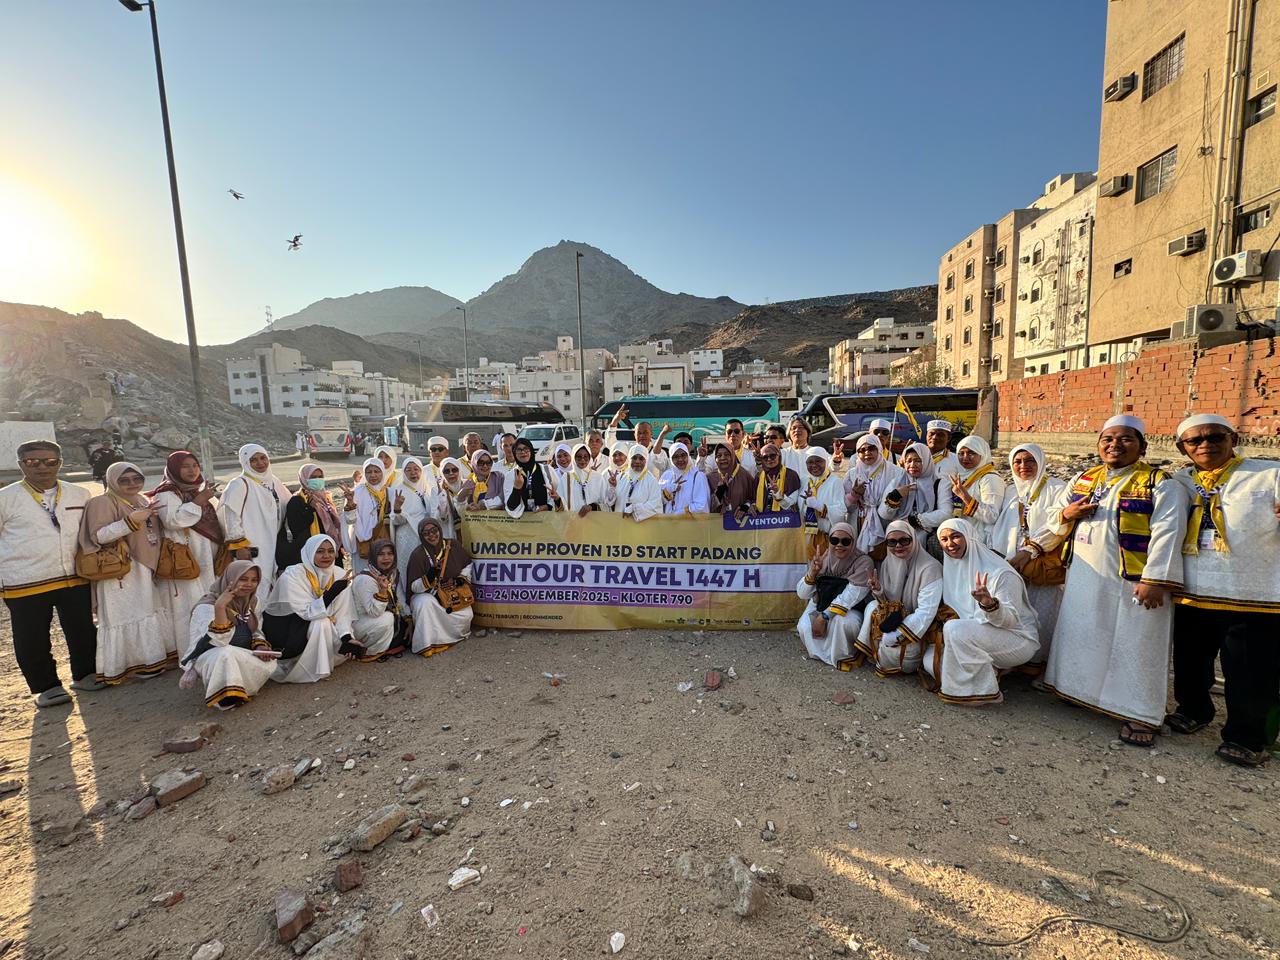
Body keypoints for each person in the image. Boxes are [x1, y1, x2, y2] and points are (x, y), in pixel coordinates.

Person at [1041, 415, 1187, 747]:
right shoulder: (1084, 478)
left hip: (1133, 579)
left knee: (1135, 643)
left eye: (1125, 439)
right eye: (1107, 439)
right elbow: (1055, 514)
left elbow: (1168, 532)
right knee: (1084, 631)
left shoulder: (1159, 483)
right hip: (1085, 573)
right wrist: (1066, 515)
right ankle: (1078, 691)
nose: (1114, 445)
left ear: (1142, 446)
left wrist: (1155, 579)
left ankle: (1139, 713)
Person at [1166, 414, 1280, 767]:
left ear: (1233, 439)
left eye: (1215, 437)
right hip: (1193, 590)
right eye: (1195, 440)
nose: (1206, 445)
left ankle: (1247, 738)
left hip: (1251, 593)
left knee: (1249, 669)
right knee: (1190, 660)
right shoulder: (1180, 481)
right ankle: (1194, 710)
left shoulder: (1269, 474)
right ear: (1182, 448)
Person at [0, 439, 101, 707]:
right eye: (33, 462)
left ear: (60, 463)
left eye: (50, 461)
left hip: (74, 576)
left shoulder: (79, 494)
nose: (42, 467)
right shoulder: (5, 498)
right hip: (24, 580)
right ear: (21, 464)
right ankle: (46, 687)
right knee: (32, 636)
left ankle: (85, 674)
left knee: (82, 629)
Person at [921, 518, 1038, 704]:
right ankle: (989, 671)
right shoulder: (952, 567)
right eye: (944, 539)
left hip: (1016, 639)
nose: (950, 544)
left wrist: (989, 604)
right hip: (979, 637)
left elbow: (1010, 621)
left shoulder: (1001, 573)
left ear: (969, 536)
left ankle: (985, 691)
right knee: (929, 661)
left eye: (956, 536)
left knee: (954, 629)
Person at [79, 462, 175, 683]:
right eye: (124, 480)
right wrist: (130, 521)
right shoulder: (101, 502)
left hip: (144, 566)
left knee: (147, 610)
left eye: (137, 479)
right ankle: (133, 664)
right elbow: (98, 536)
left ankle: (154, 659)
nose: (132, 484)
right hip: (119, 571)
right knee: (126, 614)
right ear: (112, 481)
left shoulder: (141, 500)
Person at [148, 450, 226, 656]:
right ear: (174, 469)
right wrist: (199, 500)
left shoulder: (199, 489)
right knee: (188, 604)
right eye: (185, 466)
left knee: (208, 600)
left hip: (206, 553)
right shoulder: (167, 493)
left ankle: (212, 647)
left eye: (194, 465)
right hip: (185, 556)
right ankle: (190, 652)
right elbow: (172, 521)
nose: (192, 470)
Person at [992, 443, 1069, 650]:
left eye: (1029, 460)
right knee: (1015, 607)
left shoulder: (1057, 488)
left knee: (1043, 610)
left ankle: (1039, 657)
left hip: (1042, 559)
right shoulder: (1011, 490)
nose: (1023, 465)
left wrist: (1031, 550)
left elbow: (1057, 525)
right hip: (1013, 560)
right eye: (1017, 461)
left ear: (1040, 461)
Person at [180, 560, 278, 710]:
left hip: (239, 650)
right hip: (211, 655)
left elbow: (256, 631)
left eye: (254, 580)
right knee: (225, 653)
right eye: (243, 579)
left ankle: (242, 687)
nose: (249, 584)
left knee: (270, 661)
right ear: (230, 579)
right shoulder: (206, 606)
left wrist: (260, 646)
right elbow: (217, 642)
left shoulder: (252, 602)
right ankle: (225, 697)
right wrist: (220, 607)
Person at [263, 533, 359, 682]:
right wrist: (332, 592)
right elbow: (307, 612)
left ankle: (324, 661)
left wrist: (347, 638)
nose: (326, 556)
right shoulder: (293, 574)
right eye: (320, 551)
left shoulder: (339, 573)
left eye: (331, 551)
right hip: (294, 630)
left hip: (326, 628)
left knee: (341, 637)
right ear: (310, 551)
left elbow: (343, 613)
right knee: (321, 622)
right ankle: (316, 669)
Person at [854, 520, 944, 677]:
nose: (898, 546)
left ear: (913, 539)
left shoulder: (930, 568)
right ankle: (877, 652)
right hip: (894, 622)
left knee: (899, 655)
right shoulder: (888, 562)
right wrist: (879, 591)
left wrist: (897, 634)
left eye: (904, 540)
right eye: (892, 542)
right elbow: (888, 604)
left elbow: (926, 613)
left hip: (919, 629)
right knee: (873, 606)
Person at [218, 444, 290, 606]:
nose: (260, 463)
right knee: (251, 586)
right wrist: (240, 547)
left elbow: (288, 504)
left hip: (271, 544)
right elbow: (231, 516)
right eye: (254, 460)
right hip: (251, 548)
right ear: (245, 462)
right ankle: (250, 619)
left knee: (268, 583)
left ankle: (262, 619)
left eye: (263, 458)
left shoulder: (273, 482)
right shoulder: (239, 484)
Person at [795, 522, 874, 670]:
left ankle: (844, 656)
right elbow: (802, 593)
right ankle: (822, 654)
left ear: (853, 542)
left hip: (850, 608)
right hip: (821, 603)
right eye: (834, 540)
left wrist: (824, 616)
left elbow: (852, 595)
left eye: (846, 541)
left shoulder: (863, 562)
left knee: (844, 623)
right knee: (804, 626)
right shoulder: (823, 559)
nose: (839, 545)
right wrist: (813, 572)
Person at [920, 436, 1005, 546]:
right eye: (961, 453)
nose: (965, 457)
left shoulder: (990, 478)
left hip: (979, 538)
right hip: (961, 535)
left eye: (971, 453)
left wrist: (965, 496)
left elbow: (992, 516)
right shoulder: (963, 474)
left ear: (982, 454)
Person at [406, 518, 474, 656]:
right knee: (424, 603)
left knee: (467, 614)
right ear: (421, 536)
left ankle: (447, 639)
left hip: (450, 595)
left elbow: (468, 564)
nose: (431, 535)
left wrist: (460, 579)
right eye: (426, 533)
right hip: (429, 596)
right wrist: (429, 576)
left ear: (439, 529)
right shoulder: (418, 555)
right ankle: (427, 644)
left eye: (434, 530)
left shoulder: (452, 545)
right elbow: (413, 587)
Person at [280, 464, 352, 571]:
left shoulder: (326, 498)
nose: (317, 480)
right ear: (304, 478)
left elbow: (334, 525)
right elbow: (296, 528)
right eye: (313, 477)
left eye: (320, 477)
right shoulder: (297, 501)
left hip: (331, 551)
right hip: (312, 553)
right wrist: (310, 508)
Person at [845, 435, 906, 554]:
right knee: (860, 558)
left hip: (886, 522)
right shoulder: (852, 474)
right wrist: (854, 495)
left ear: (879, 449)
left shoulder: (896, 472)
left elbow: (902, 505)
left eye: (871, 448)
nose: (867, 453)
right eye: (862, 450)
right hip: (858, 521)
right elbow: (846, 508)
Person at [350, 538, 408, 659]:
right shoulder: (366, 579)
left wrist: (409, 618)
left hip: (377, 619)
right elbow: (374, 612)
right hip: (361, 624)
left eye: (390, 553)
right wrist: (382, 591)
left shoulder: (391, 573)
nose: (386, 558)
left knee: (407, 622)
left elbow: (400, 598)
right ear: (373, 556)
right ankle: (368, 651)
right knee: (388, 618)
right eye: (381, 554)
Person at [388, 457, 435, 583]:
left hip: (426, 535)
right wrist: (397, 508)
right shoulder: (398, 490)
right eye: (408, 470)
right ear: (404, 472)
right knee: (407, 568)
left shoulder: (427, 488)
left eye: (416, 469)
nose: (413, 472)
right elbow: (396, 521)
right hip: (407, 537)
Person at [877, 442, 937, 529]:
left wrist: (913, 521)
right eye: (908, 461)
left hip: (927, 532)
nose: (912, 465)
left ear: (926, 461)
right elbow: (884, 515)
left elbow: (944, 513)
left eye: (918, 461)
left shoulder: (938, 483)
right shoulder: (897, 482)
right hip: (900, 531)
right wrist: (896, 496)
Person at [801, 448, 847, 557]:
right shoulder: (804, 481)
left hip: (826, 537)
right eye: (810, 462)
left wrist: (818, 506)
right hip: (805, 536)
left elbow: (841, 513)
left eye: (818, 461)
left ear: (826, 461)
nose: (814, 465)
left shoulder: (835, 482)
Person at [349, 458, 392, 571]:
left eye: (376, 471)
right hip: (364, 542)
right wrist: (364, 536)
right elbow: (350, 520)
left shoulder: (389, 492)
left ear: (383, 472)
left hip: (385, 542)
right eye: (369, 472)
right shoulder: (357, 492)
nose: (373, 475)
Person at [611, 445, 663, 521]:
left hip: (641, 526)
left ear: (646, 460)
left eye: (641, 458)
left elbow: (656, 506)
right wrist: (612, 487)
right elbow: (611, 502)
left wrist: (635, 508)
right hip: (621, 524)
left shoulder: (652, 481)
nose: (637, 461)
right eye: (634, 458)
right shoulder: (621, 477)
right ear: (629, 459)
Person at [659, 442, 711, 515]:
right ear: (671, 458)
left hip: (690, 521)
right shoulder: (667, 475)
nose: (680, 459)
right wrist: (669, 489)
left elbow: (701, 506)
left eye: (683, 455)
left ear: (688, 456)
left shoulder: (698, 476)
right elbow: (657, 501)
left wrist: (677, 514)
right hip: (669, 521)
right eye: (675, 457)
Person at [507, 438, 554, 517]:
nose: (523, 452)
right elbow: (511, 507)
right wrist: (516, 488)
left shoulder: (547, 470)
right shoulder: (510, 475)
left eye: (526, 448)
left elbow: (559, 495)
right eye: (519, 450)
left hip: (546, 519)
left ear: (531, 450)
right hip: (523, 521)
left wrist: (548, 506)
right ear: (514, 453)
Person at [707, 443, 755, 516]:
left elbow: (754, 498)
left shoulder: (745, 476)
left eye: (726, 455)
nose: (722, 458)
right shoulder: (710, 478)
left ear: (733, 456)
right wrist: (719, 492)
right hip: (718, 522)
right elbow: (706, 507)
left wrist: (746, 506)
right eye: (719, 456)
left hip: (740, 521)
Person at [753, 443, 801, 515]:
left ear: (779, 456)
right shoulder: (759, 476)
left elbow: (790, 504)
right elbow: (753, 499)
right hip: (762, 519)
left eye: (772, 456)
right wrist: (752, 506)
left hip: (784, 518)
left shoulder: (790, 475)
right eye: (765, 457)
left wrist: (777, 493)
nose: (769, 459)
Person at [562, 443, 610, 514]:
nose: (582, 460)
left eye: (586, 457)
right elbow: (561, 502)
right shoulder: (566, 477)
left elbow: (605, 503)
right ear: (573, 458)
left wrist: (592, 506)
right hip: (573, 519)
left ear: (590, 458)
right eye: (579, 457)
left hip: (594, 519)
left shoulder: (598, 477)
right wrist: (557, 499)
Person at [435, 457, 466, 538]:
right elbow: (441, 517)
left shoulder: (467, 485)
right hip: (449, 533)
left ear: (459, 470)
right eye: (446, 471)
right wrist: (441, 496)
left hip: (469, 530)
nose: (451, 473)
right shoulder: (437, 490)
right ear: (442, 473)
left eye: (454, 470)